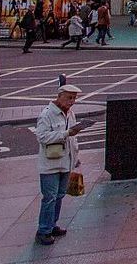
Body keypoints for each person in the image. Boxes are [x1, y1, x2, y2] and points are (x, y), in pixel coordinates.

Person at [34, 84, 86, 244]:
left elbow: (73, 139)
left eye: (74, 98)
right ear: (60, 96)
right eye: (69, 98)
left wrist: (75, 157)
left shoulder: (70, 114)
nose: (72, 101)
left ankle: (52, 225)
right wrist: (65, 133)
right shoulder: (47, 115)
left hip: (66, 161)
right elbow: (42, 137)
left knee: (59, 196)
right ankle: (43, 231)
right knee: (49, 197)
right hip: (50, 164)